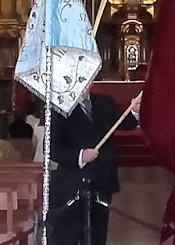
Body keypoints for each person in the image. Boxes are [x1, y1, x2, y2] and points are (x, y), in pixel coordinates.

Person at [48, 89, 142, 245]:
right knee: (70, 234)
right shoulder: (59, 107)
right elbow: (51, 148)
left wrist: (134, 111)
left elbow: (125, 123)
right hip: (71, 184)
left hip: (103, 179)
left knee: (98, 235)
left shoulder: (104, 102)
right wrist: (80, 156)